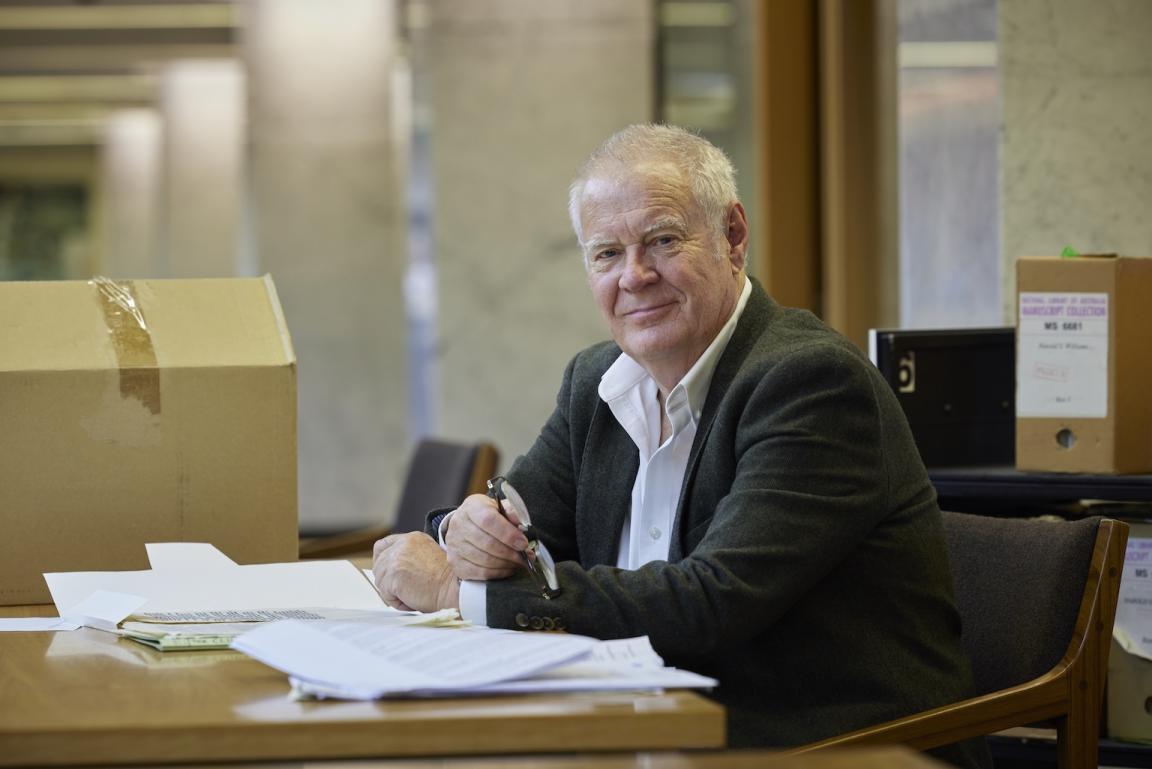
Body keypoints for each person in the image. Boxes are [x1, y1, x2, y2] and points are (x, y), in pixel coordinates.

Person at [373, 124, 989, 767]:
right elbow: (525, 529)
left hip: (816, 746)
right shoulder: (597, 382)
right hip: (637, 730)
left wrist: (456, 593)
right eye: (606, 254)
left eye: (662, 241)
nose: (634, 276)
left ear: (734, 236)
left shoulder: (811, 383)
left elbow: (713, 602)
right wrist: (462, 530)